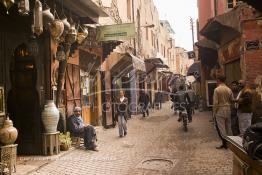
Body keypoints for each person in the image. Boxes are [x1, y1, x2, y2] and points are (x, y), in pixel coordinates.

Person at [213, 75, 233, 149]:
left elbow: (215, 103)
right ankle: (230, 143)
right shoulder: (229, 89)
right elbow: (232, 99)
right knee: (228, 127)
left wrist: (214, 112)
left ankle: (225, 144)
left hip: (220, 109)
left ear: (218, 80)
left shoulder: (217, 89)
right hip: (228, 109)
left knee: (221, 128)